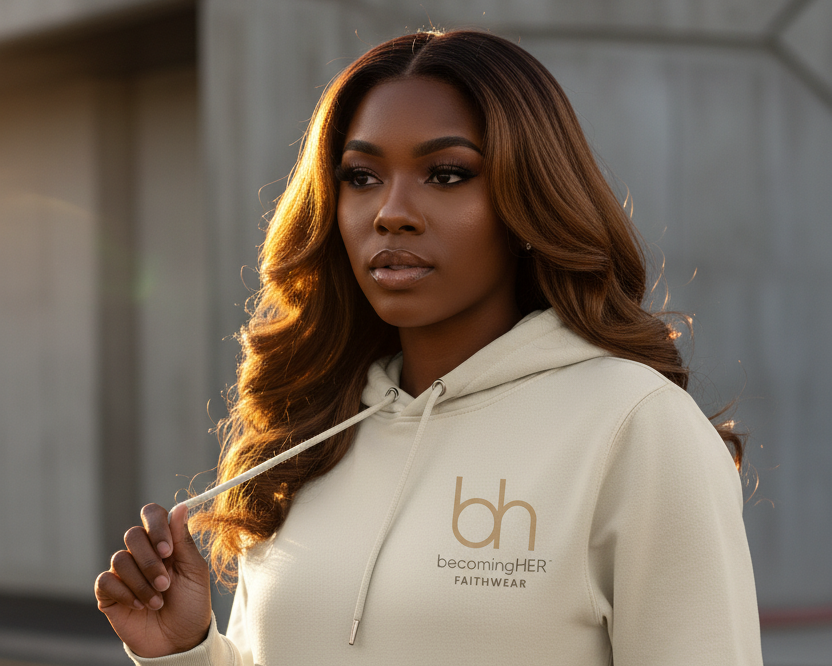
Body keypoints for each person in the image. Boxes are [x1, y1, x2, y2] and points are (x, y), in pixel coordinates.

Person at [94, 29, 763, 665]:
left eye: (445, 174)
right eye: (361, 177)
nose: (392, 212)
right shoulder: (313, 428)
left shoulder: (635, 425)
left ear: (528, 201)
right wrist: (186, 651)